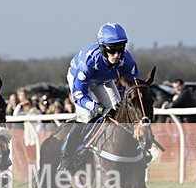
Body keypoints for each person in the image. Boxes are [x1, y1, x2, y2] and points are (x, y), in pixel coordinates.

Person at [58, 22, 140, 172]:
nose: (117, 55)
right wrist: (99, 108)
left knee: (119, 111)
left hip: (104, 80)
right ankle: (66, 157)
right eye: (112, 50)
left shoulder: (127, 60)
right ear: (103, 49)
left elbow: (133, 88)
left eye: (120, 49)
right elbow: (79, 96)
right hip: (82, 84)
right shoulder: (87, 63)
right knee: (87, 117)